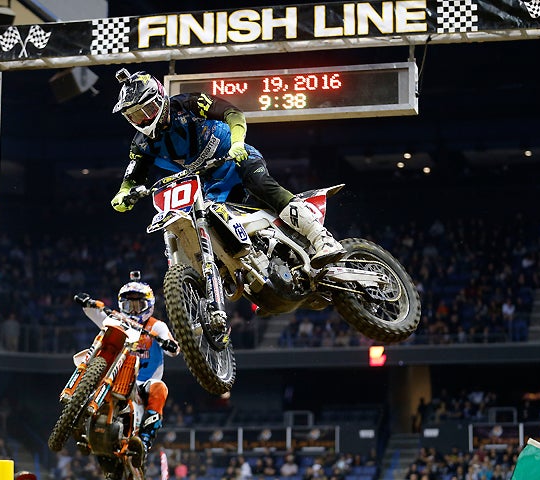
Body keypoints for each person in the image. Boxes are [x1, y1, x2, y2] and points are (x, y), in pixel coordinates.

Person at [109, 68, 345, 269]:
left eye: (146, 110)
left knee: (261, 185)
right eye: (134, 115)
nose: (143, 118)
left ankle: (322, 238)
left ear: (160, 99)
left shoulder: (188, 103)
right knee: (206, 224)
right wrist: (123, 194)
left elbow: (233, 113)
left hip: (235, 158)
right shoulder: (141, 143)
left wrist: (238, 141)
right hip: (208, 184)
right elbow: (132, 176)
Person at [78, 276, 180, 472]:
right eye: (128, 305)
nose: (133, 310)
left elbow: (173, 349)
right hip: (116, 379)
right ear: (120, 305)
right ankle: (78, 420)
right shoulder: (117, 320)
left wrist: (169, 343)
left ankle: (144, 439)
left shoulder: (156, 326)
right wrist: (86, 303)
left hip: (144, 383)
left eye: (138, 305)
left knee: (160, 388)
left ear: (148, 305)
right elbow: (98, 315)